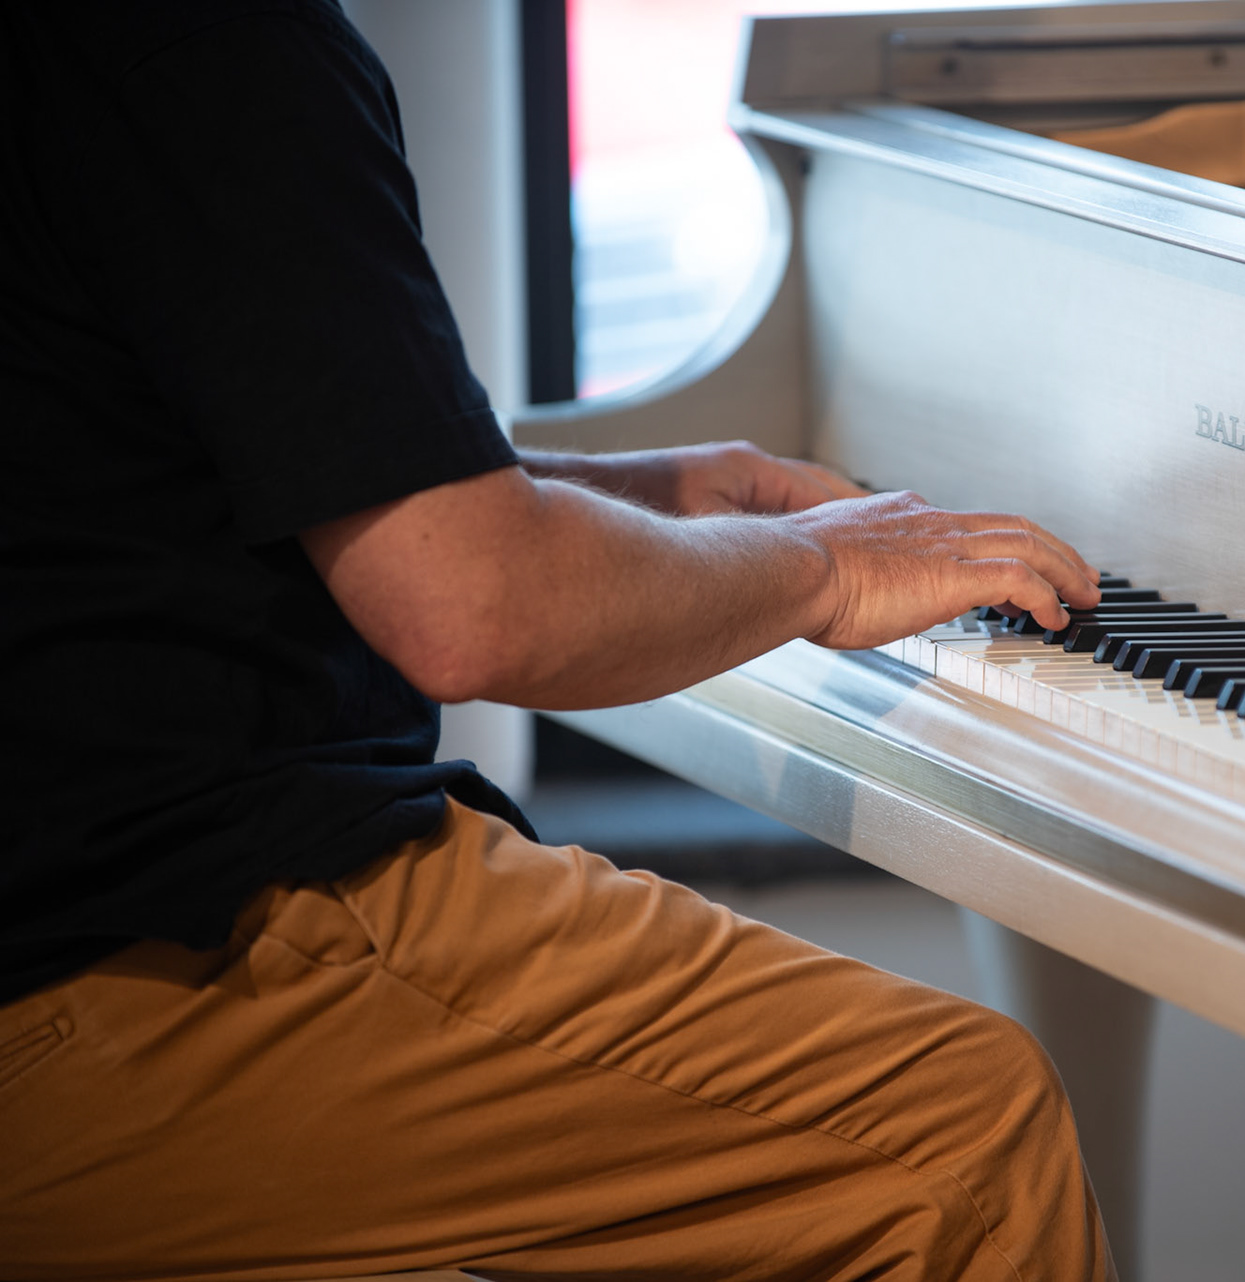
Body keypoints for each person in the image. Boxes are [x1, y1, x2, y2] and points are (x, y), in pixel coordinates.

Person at [0, 2, 1114, 1278]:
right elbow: (475, 612)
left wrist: (644, 498)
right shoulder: (211, 42)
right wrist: (826, 568)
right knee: (960, 1138)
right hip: (143, 947)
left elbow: (191, 469)